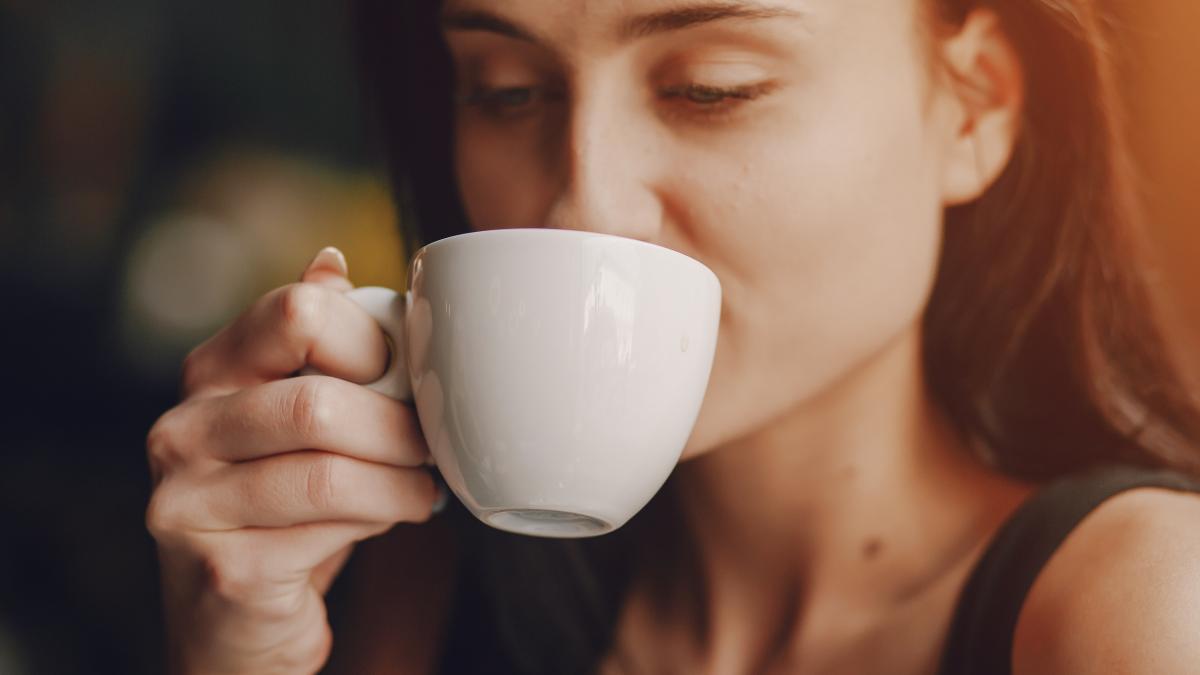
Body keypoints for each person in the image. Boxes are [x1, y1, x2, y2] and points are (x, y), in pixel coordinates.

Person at [144, 0, 1200, 673]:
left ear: (971, 107)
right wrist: (239, 660)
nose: (580, 208)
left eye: (713, 89)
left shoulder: (1135, 610)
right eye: (506, 93)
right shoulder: (422, 582)